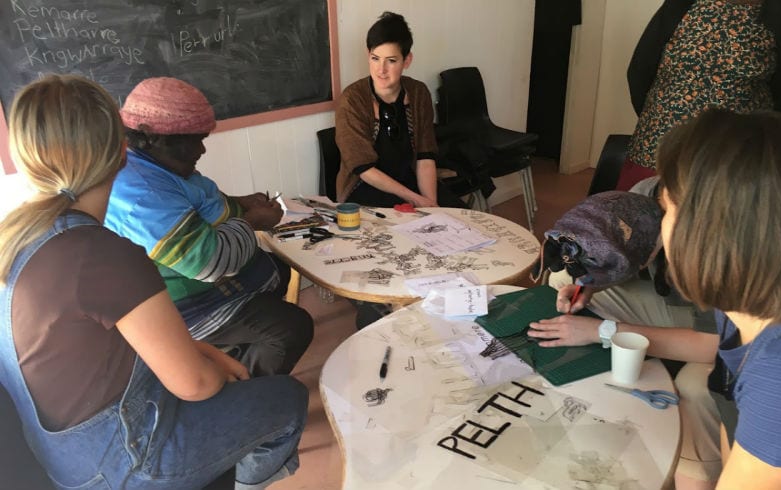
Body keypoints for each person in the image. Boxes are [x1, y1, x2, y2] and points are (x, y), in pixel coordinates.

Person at [0, 75, 307, 489]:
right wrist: (220, 377)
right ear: (121, 152)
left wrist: (203, 356)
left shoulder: (20, 235)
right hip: (119, 465)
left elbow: (115, 342)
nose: (200, 148)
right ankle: (238, 478)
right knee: (288, 398)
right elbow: (195, 385)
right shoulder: (104, 253)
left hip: (64, 458)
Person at [530, 108, 781, 488]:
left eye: (669, 209)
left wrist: (604, 330)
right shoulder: (746, 309)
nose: (663, 223)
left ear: (711, 231)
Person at [104, 77, 313, 377]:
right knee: (292, 329)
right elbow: (210, 262)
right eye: (194, 141)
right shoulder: (140, 195)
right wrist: (252, 221)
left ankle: (237, 352)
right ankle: (245, 394)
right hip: (188, 310)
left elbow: (199, 203)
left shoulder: (155, 164)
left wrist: (241, 202)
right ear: (151, 137)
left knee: (278, 270)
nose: (202, 150)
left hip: (205, 286)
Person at [617, 0, 781, 191]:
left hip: (737, 157)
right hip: (659, 146)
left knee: (724, 217)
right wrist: (657, 117)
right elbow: (640, 69)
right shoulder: (680, 4)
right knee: (640, 214)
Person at [335, 11, 467, 209]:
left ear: (407, 60)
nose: (381, 69)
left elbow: (425, 156)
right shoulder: (352, 99)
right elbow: (363, 168)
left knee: (459, 219)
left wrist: (431, 203)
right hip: (365, 186)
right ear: (367, 55)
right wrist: (415, 200)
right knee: (407, 229)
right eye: (375, 58)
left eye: (391, 60)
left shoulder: (418, 92)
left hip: (410, 178)